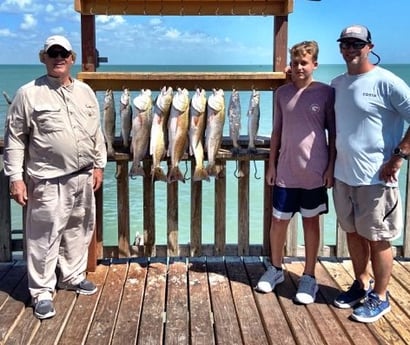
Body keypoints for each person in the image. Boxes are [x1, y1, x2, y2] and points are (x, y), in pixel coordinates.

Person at [4, 35, 107, 320]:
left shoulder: (86, 92)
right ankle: (41, 291)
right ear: (43, 58)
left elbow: (96, 133)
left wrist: (99, 165)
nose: (59, 57)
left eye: (64, 53)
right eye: (53, 53)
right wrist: (15, 178)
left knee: (78, 230)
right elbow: (14, 139)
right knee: (44, 238)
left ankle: (72, 276)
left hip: (83, 176)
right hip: (47, 180)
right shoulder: (28, 93)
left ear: (72, 59)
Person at [331, 25, 410, 323]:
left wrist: (400, 155)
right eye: (345, 44)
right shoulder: (337, 83)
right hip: (343, 176)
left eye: (356, 44)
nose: (350, 49)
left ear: (369, 46)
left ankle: (381, 296)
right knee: (352, 233)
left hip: (377, 180)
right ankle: (361, 282)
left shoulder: (386, 81)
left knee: (378, 238)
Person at [256, 41, 336, 304]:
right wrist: (272, 165)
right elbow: (276, 131)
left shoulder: (326, 93)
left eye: (305, 62)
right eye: (295, 62)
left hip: (314, 173)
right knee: (278, 222)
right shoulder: (282, 93)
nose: (299, 67)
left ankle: (309, 275)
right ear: (289, 65)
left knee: (311, 223)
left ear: (314, 64)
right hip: (285, 172)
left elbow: (333, 134)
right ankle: (276, 269)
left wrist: (330, 167)